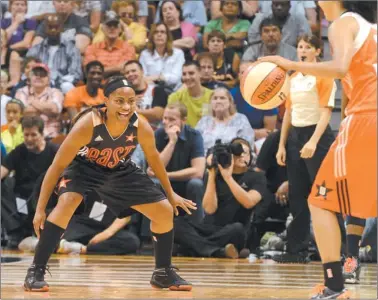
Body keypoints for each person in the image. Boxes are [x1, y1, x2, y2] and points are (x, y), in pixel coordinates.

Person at [23, 76, 196, 292]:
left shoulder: (140, 126)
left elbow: (155, 162)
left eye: (131, 101)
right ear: (107, 101)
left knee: (163, 211)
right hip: (84, 167)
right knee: (68, 201)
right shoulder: (89, 124)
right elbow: (56, 167)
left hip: (119, 168)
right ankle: (36, 270)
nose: (126, 106)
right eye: (120, 101)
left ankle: (162, 273)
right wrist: (40, 209)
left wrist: (170, 194)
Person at [260, 1, 377, 298]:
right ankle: (343, 271)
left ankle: (335, 283)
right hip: (361, 118)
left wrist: (290, 64)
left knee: (321, 200)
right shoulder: (368, 27)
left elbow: (339, 68)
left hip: (365, 119)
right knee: (348, 201)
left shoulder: (343, 24)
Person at [273, 34, 336, 264]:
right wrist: (282, 144)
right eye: (299, 46)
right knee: (298, 194)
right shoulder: (294, 77)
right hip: (295, 137)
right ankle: (295, 249)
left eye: (307, 47)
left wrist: (313, 141)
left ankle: (330, 250)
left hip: (317, 135)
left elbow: (326, 111)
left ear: (317, 51)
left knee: (322, 193)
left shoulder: (324, 75)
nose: (302, 50)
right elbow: (288, 112)